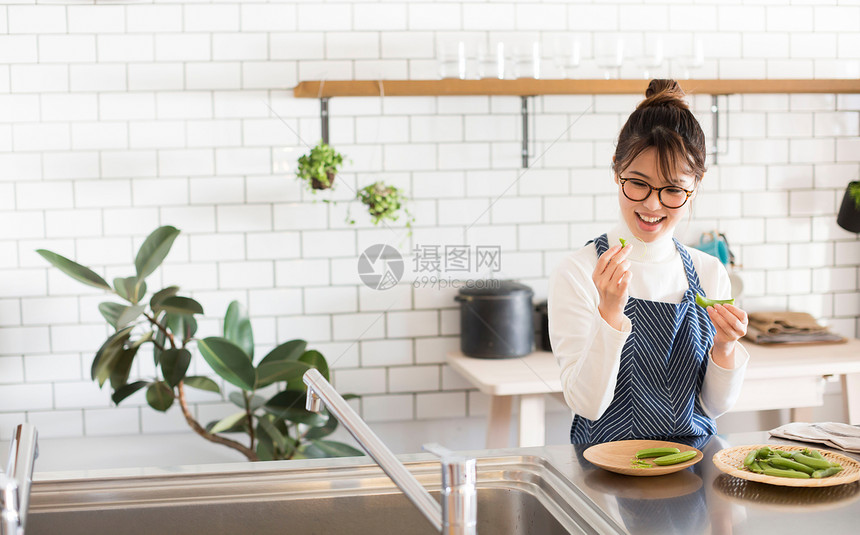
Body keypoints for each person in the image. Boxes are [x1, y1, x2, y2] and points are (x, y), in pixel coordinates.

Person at [548, 79, 749, 444]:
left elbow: (714, 407)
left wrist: (725, 347)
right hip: (604, 478)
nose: (653, 205)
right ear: (616, 171)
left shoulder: (708, 273)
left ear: (695, 187)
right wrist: (609, 312)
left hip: (692, 471)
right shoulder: (578, 273)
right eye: (638, 183)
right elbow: (587, 405)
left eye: (672, 190)